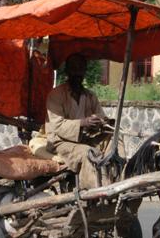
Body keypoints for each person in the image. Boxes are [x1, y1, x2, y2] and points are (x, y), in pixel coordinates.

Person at [45, 54, 115, 189]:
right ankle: (97, 191)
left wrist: (101, 122)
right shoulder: (55, 95)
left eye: (80, 69)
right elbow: (57, 126)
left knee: (115, 140)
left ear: (84, 71)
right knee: (88, 153)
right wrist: (83, 123)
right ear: (67, 71)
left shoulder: (90, 96)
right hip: (59, 142)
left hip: (84, 139)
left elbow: (101, 116)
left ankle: (120, 179)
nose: (77, 73)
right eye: (74, 69)